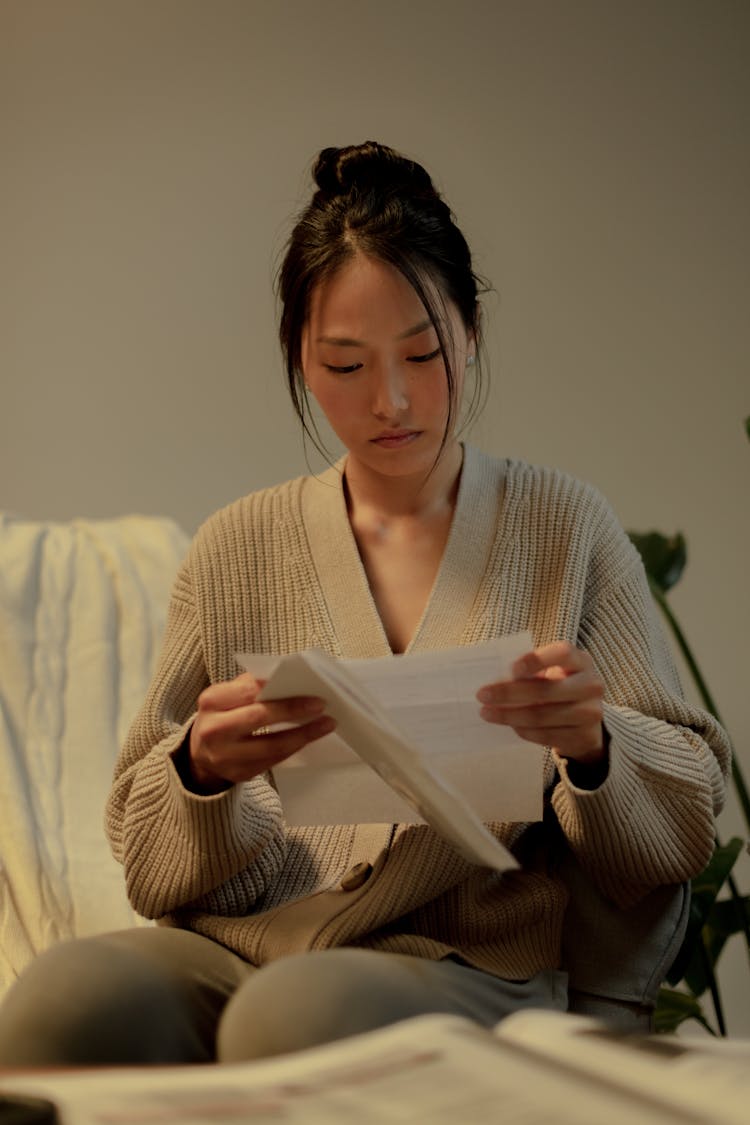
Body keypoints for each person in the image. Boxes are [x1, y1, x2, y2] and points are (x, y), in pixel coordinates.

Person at [0, 141, 730, 1066]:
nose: (390, 400)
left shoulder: (564, 528)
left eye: (422, 354)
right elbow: (147, 859)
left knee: (300, 1019)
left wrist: (593, 745)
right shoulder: (235, 547)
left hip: (472, 960)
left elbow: (685, 820)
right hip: (244, 941)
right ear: (302, 361)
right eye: (345, 366)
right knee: (62, 1001)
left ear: (470, 332)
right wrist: (200, 769)